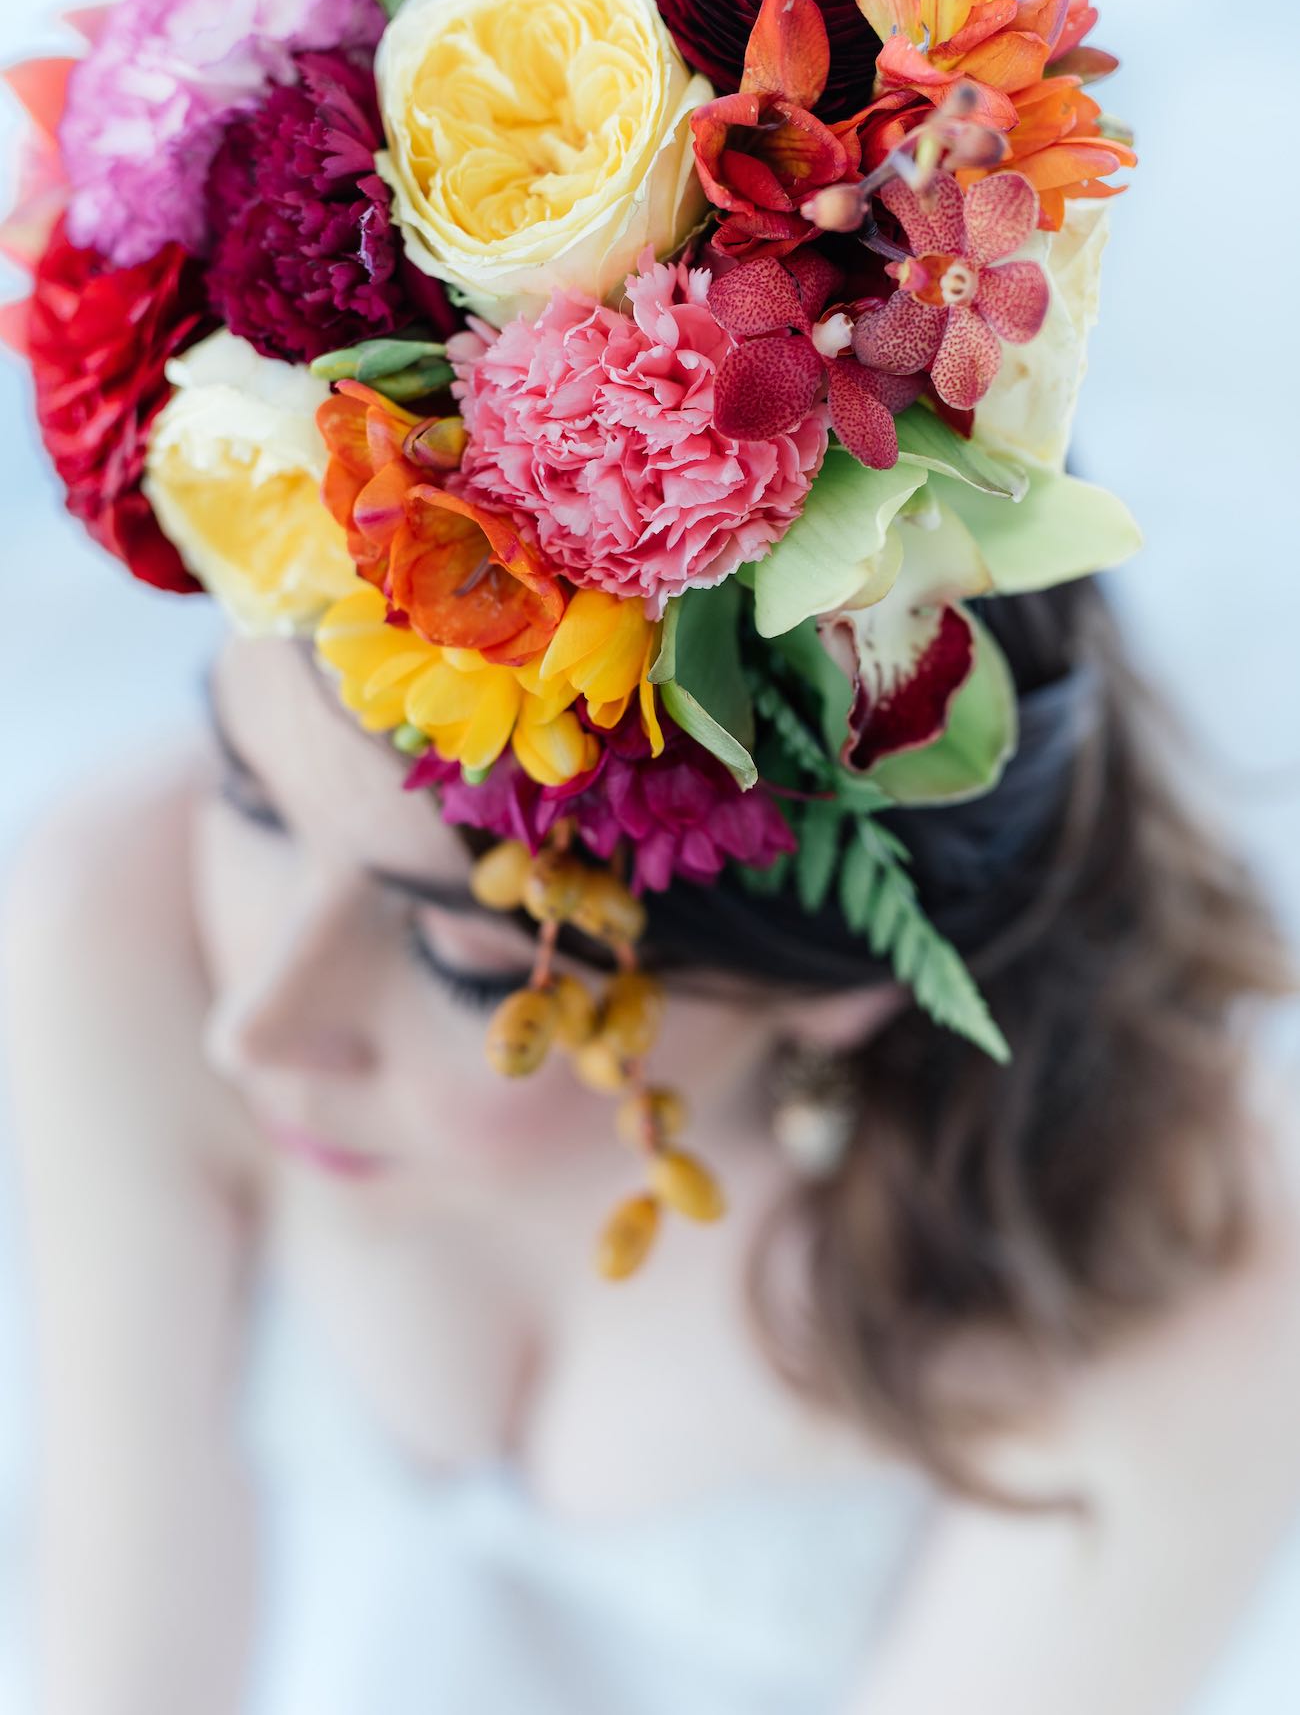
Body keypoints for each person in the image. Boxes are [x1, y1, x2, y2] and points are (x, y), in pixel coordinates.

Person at [5, 571, 1299, 1715]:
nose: (260, 1031)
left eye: (467, 968)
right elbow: (123, 1660)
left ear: (843, 977)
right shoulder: (127, 924)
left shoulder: (1164, 1264)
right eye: (253, 802)